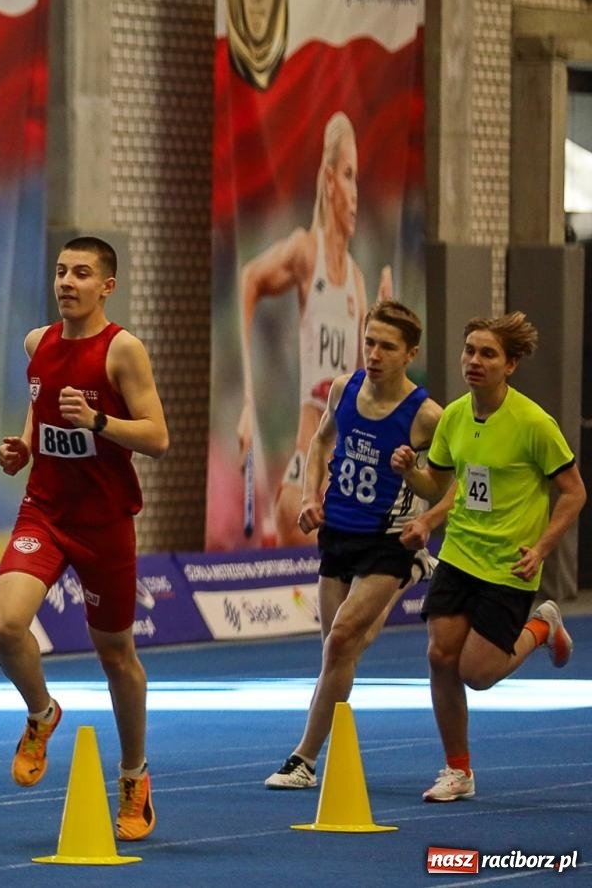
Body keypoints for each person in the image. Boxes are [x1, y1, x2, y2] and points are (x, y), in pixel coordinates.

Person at [0, 236, 169, 842]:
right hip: (45, 511)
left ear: (106, 287)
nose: (67, 281)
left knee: (116, 654)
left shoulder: (123, 351)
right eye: (61, 270)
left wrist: (98, 421)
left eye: (82, 274)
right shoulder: (36, 343)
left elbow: (157, 436)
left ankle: (134, 775)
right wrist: (23, 447)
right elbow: (39, 414)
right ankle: (42, 713)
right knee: (6, 626)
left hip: (104, 521)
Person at [396, 312, 581, 802]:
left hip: (509, 563)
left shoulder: (533, 424)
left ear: (511, 364)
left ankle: (541, 625)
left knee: (477, 673)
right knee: (439, 655)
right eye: (469, 351)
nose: (474, 361)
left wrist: (542, 547)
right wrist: (411, 481)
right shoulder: (454, 416)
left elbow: (574, 492)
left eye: (488, 354)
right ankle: (458, 771)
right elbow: (437, 483)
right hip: (460, 552)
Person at [264, 300, 444, 789]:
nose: (375, 353)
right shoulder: (345, 389)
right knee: (340, 648)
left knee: (341, 640)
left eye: (387, 346)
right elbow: (321, 442)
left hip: (388, 540)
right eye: (369, 342)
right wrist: (308, 497)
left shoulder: (427, 415)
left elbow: (446, 485)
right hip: (339, 532)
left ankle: (303, 759)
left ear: (411, 353)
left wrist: (419, 492)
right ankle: (412, 576)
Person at [236, 112, 394, 546]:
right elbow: (248, 278)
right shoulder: (307, 251)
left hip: (347, 458)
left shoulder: (359, 282)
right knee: (297, 525)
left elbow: (370, 378)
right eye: (347, 176)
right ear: (328, 180)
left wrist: (385, 313)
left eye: (358, 179)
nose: (355, 193)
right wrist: (248, 402)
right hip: (310, 454)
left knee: (339, 574)